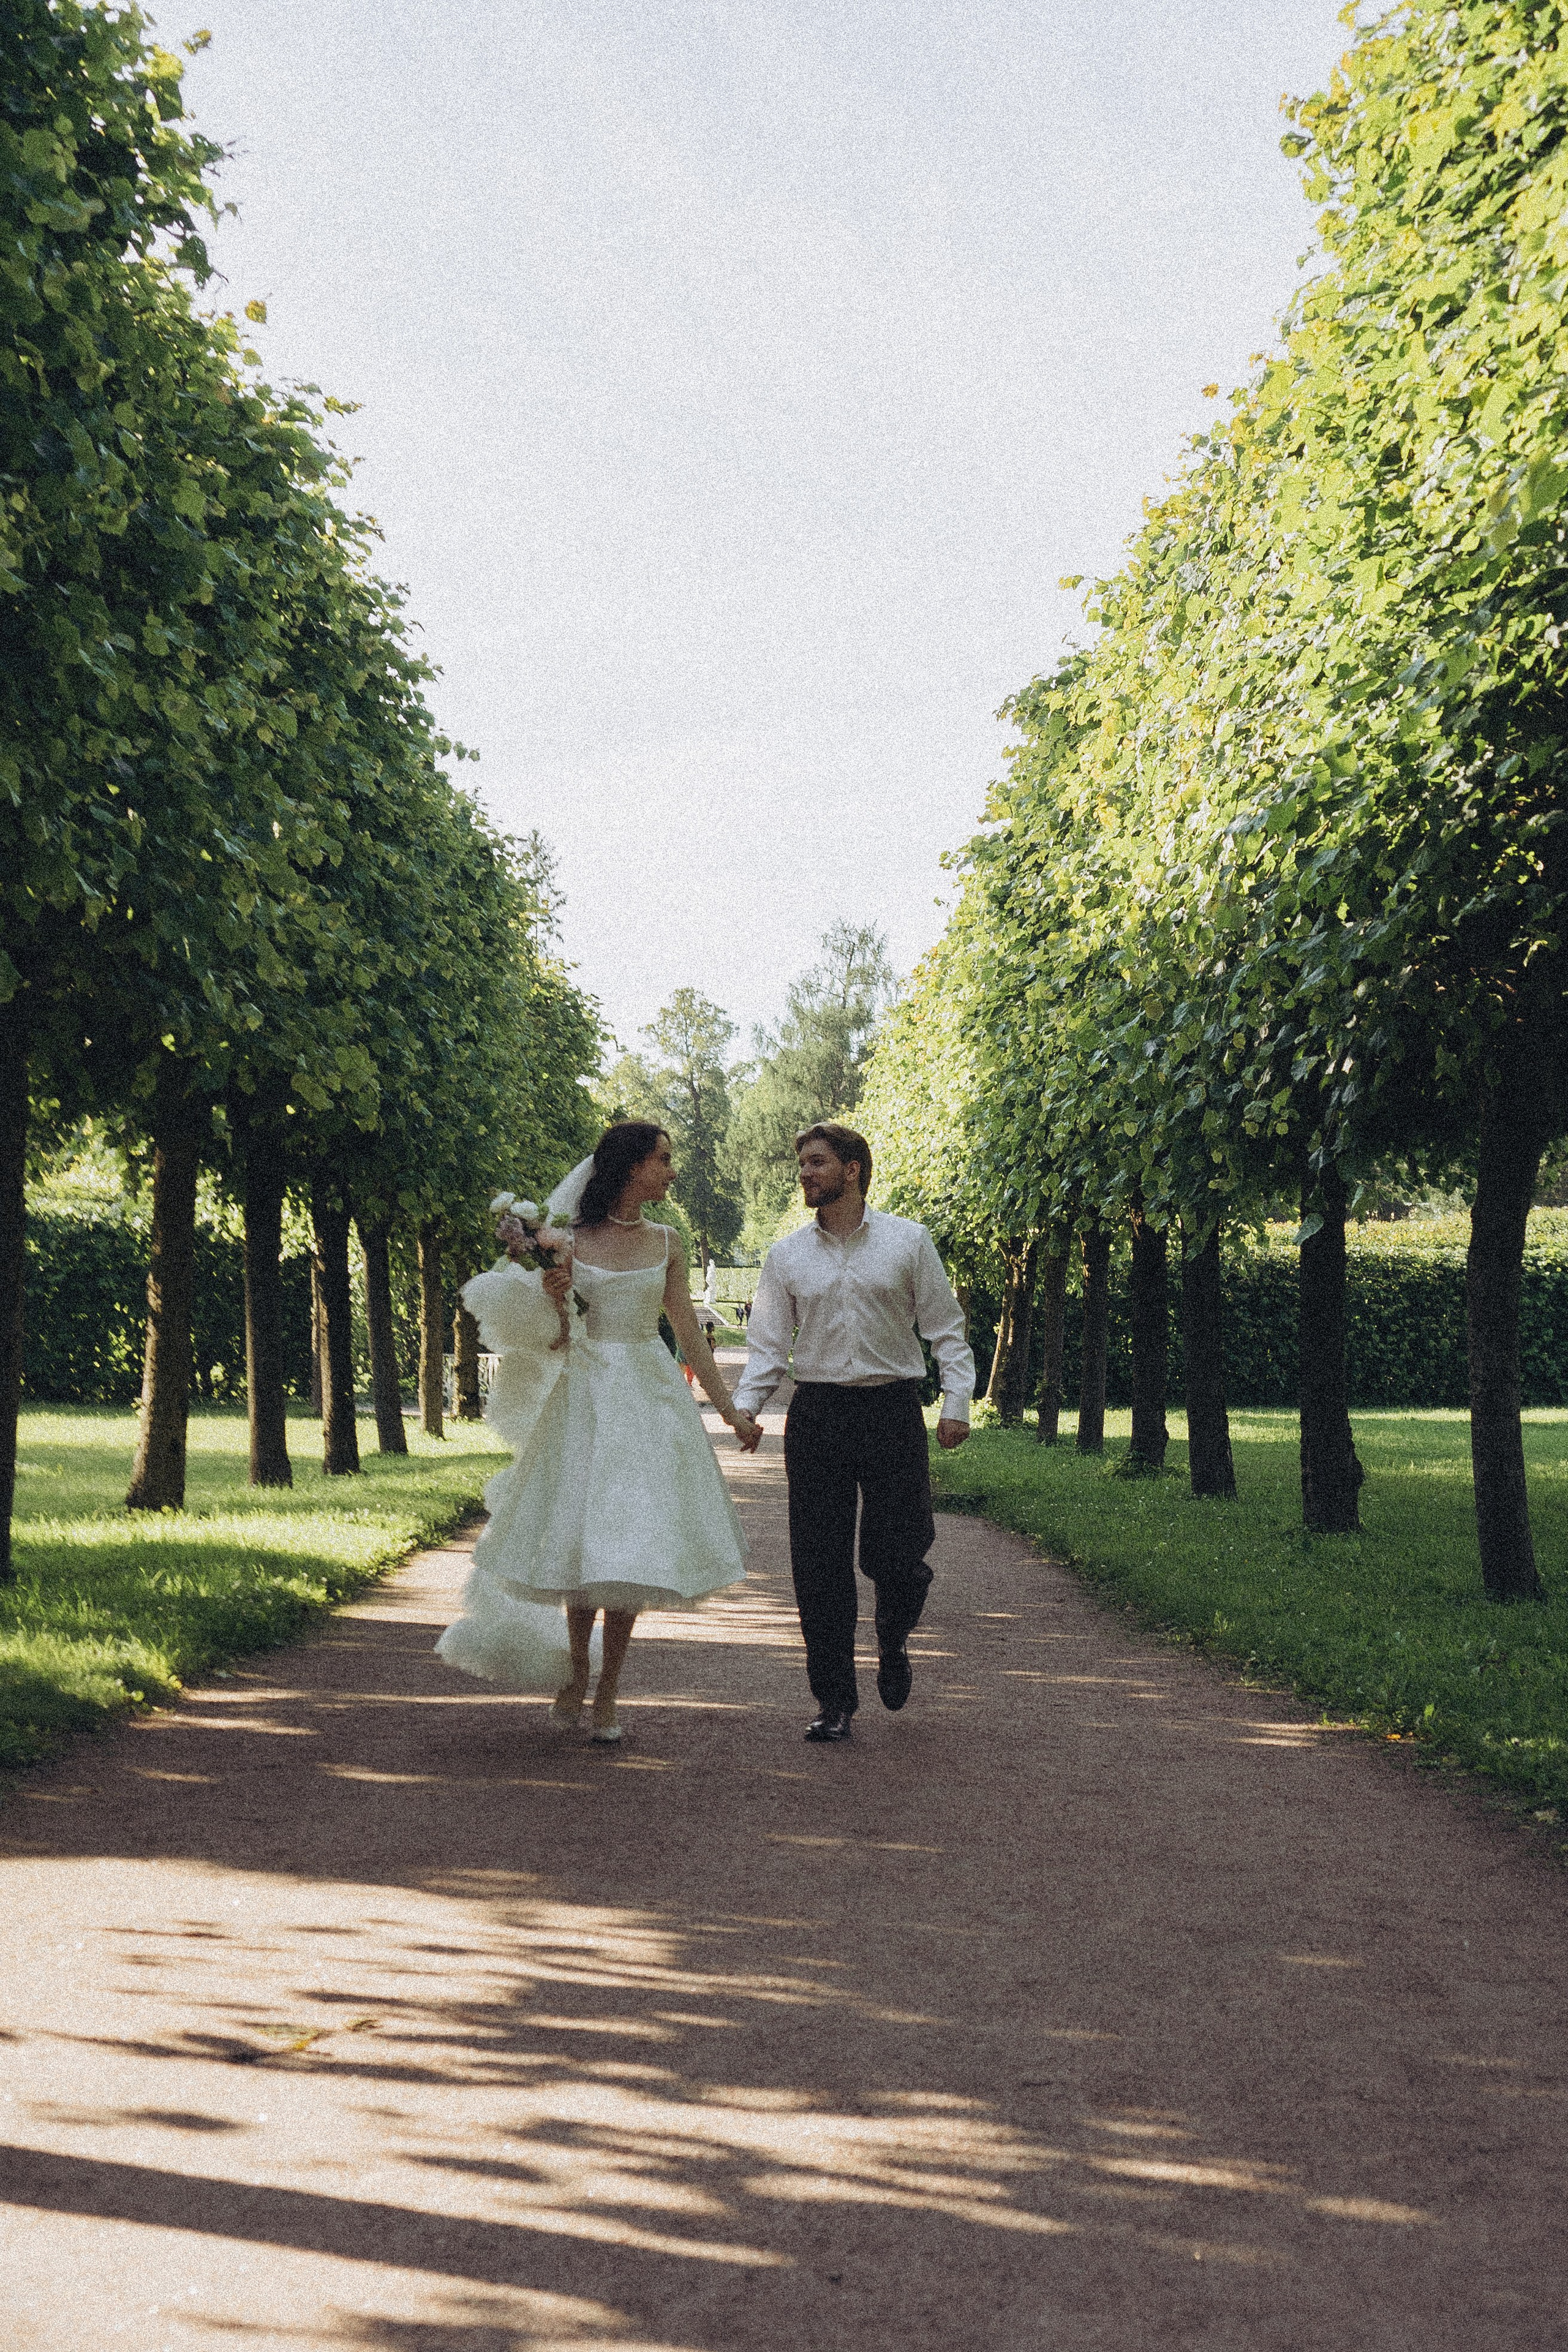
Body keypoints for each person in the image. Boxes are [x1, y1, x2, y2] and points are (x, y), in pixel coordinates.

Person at [436, 1122, 761, 1742]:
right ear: (632, 1166)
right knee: (581, 1535)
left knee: (631, 1540)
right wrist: (556, 1298)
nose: (671, 1170)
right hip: (584, 1392)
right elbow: (557, 1341)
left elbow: (688, 1332)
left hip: (647, 1394)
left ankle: (609, 1686)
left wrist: (729, 1411)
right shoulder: (566, 1243)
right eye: (663, 1159)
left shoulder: (667, 1241)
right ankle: (576, 1669)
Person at [731, 1121, 973, 1743]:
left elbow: (946, 1328)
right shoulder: (786, 1256)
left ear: (852, 1169)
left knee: (896, 1553)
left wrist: (956, 1402)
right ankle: (834, 1699)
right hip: (818, 1417)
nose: (806, 1174)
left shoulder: (907, 1242)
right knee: (819, 1564)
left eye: (817, 1163)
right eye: (803, 1165)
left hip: (892, 1410)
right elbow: (766, 1347)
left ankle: (892, 1638)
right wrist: (747, 1409)